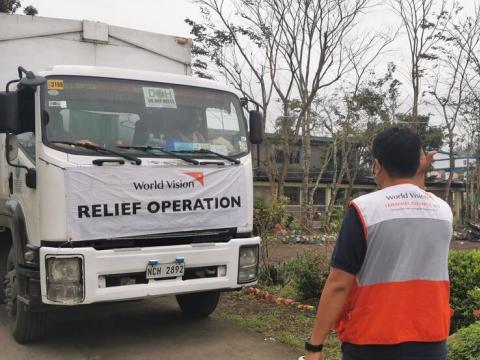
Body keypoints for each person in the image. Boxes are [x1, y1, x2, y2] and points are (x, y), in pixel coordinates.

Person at [304, 127, 452, 360]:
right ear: (419, 164)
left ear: (377, 165)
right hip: (431, 340)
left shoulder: (364, 210)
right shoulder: (443, 211)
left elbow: (339, 284)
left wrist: (315, 346)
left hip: (372, 340)